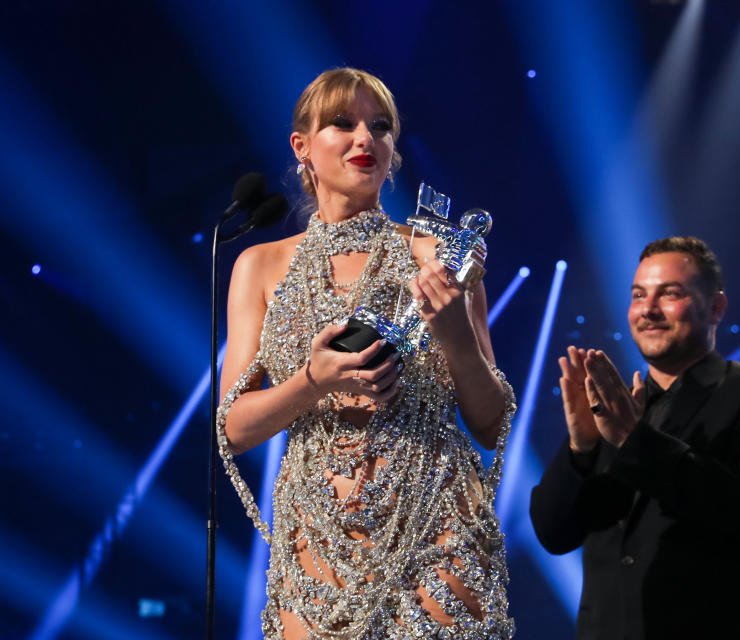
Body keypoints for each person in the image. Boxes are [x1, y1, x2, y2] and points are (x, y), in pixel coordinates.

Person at [215, 68, 516, 640]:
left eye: (379, 127)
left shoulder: (438, 256)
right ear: (301, 146)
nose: (365, 139)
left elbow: (491, 419)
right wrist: (312, 381)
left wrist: (454, 332)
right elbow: (232, 426)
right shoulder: (259, 265)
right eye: (342, 123)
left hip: (436, 529)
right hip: (318, 544)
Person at [529, 236, 740, 639]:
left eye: (669, 294)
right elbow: (553, 534)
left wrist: (634, 440)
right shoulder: (612, 405)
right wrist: (580, 448)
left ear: (716, 307)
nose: (648, 310)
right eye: (639, 295)